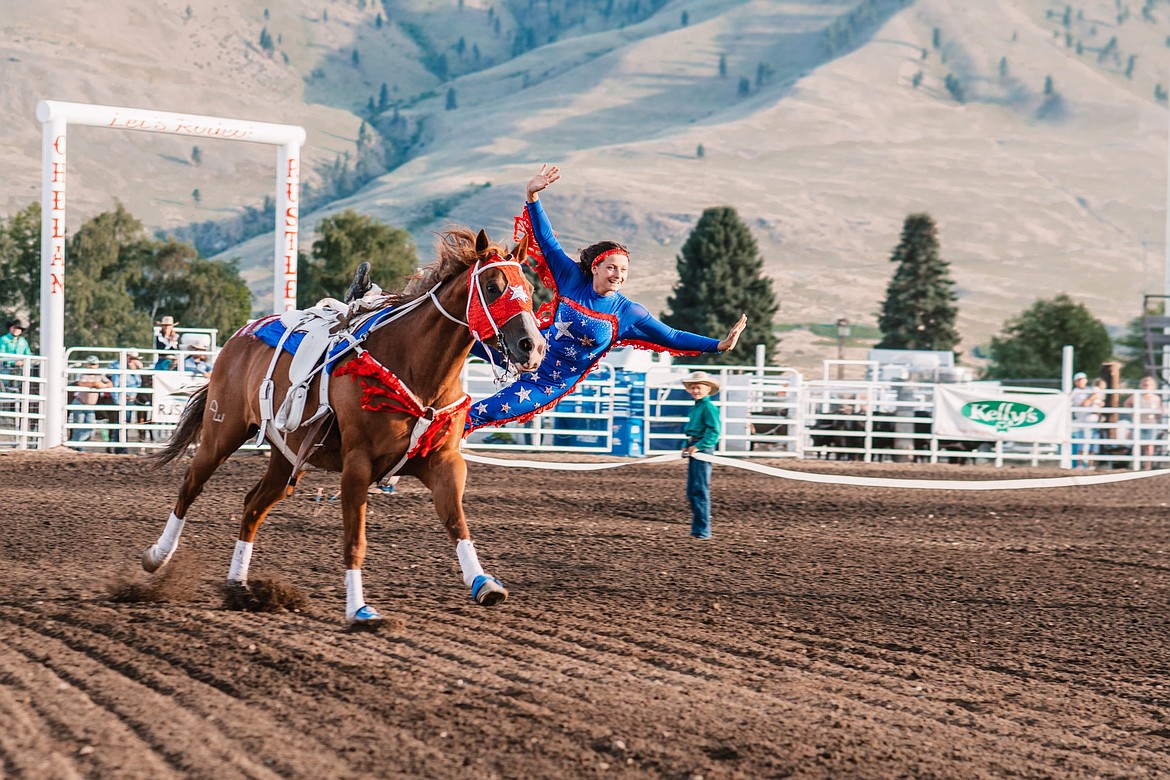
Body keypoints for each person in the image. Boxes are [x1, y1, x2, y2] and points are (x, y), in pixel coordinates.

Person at [465, 164, 747, 430]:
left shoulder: (629, 313)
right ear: (595, 268)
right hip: (522, 351)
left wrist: (718, 345)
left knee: (472, 416)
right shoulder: (572, 278)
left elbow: (672, 337)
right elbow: (548, 240)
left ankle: (428, 442)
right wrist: (532, 196)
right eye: (611, 267)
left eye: (623, 270)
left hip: (545, 383)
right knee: (459, 336)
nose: (618, 274)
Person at [681, 371, 722, 540]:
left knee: (699, 489)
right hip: (695, 446)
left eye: (698, 387)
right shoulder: (698, 406)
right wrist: (687, 445)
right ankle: (698, 529)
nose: (695, 390)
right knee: (693, 490)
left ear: (707, 389)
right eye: (693, 387)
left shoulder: (708, 408)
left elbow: (714, 432)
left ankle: (703, 531)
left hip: (702, 449)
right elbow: (694, 430)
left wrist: (697, 446)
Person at [70, 355, 112, 443]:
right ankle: (77, 446)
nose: (91, 366)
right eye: (90, 364)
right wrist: (94, 384)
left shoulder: (100, 375)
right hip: (80, 403)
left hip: (91, 406)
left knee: (90, 428)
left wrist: (103, 385)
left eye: (93, 364)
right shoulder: (82, 373)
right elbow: (80, 383)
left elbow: (109, 383)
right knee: (79, 426)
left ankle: (76, 444)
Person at [1124, 375, 1164, 467]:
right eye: (1144, 385)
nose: (1146, 387)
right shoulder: (1136, 396)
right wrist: (1132, 414)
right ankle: (1136, 465)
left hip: (1151, 423)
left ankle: (1147, 466)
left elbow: (1159, 411)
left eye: (1148, 385)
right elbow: (1127, 403)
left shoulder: (1156, 398)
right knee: (1137, 444)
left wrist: (1160, 413)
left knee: (1149, 445)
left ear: (1153, 386)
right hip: (1139, 423)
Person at [1069, 371, 1103, 468]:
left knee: (1093, 442)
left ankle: (1090, 464)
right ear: (1075, 382)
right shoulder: (1076, 392)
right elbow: (1085, 403)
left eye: (1083, 379)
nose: (1082, 381)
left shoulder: (1090, 390)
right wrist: (1093, 396)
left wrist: (1095, 399)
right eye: (1079, 380)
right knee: (1083, 442)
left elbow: (1099, 402)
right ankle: (1080, 464)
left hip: (1093, 420)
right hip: (1082, 421)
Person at [0, 319, 32, 395]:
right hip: (5, 367)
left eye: (18, 328)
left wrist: (23, 362)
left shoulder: (23, 341)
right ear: (10, 328)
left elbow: (28, 354)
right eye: (14, 327)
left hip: (19, 369)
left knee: (19, 387)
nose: (16, 330)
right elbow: (2, 354)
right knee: (5, 387)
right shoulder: (4, 339)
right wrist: (14, 361)